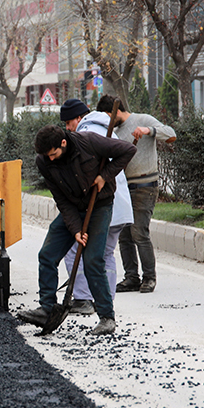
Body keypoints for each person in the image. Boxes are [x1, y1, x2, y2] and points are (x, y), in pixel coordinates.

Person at [19, 120, 135, 336]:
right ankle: (46, 308)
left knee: (92, 260)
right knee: (47, 255)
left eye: (53, 154)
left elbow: (128, 150)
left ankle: (106, 317)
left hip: (99, 206)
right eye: (47, 156)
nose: (50, 159)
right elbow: (61, 199)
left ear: (63, 143)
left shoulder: (89, 142)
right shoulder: (43, 161)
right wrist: (75, 229)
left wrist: (104, 175)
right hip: (72, 207)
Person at [59, 98, 134, 316]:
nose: (67, 128)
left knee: (75, 249)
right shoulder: (106, 128)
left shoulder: (85, 133)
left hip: (100, 204)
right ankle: (105, 301)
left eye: (68, 123)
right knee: (107, 254)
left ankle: (83, 299)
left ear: (78, 118)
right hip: (119, 204)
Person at [112, 99, 176, 293]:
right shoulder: (113, 132)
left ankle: (149, 277)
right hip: (124, 187)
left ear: (116, 111)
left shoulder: (143, 119)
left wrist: (149, 131)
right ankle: (131, 277)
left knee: (139, 231)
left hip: (145, 185)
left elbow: (171, 134)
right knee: (124, 234)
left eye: (109, 117)